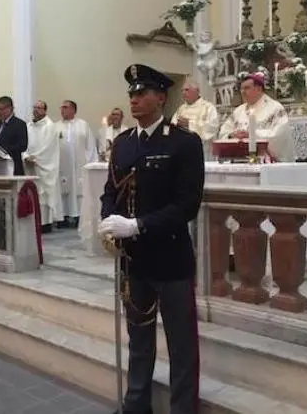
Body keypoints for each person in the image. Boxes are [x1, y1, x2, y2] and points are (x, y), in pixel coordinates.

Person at [98, 64, 204, 414]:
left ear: (161, 97)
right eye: (131, 93)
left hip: (171, 260)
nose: (134, 99)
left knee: (181, 345)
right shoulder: (123, 143)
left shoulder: (184, 143)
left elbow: (187, 206)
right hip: (135, 261)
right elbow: (110, 191)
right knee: (139, 339)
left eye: (142, 93)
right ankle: (136, 405)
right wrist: (107, 221)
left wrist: (138, 225)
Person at [218, 72, 294, 161]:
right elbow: (223, 132)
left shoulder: (275, 108)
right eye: (241, 89)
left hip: (265, 162)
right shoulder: (238, 111)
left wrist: (252, 135)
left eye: (246, 88)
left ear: (258, 89)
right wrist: (231, 135)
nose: (242, 92)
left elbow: (280, 135)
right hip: (239, 159)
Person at [56, 100, 98, 228]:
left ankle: (79, 215)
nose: (62, 110)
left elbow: (90, 146)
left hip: (80, 165)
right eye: (61, 107)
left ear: (74, 110)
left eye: (66, 107)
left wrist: (91, 164)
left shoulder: (83, 125)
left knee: (80, 189)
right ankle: (62, 217)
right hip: (62, 166)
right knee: (63, 188)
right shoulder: (55, 126)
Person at [23, 100, 62, 233]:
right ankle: (33, 221)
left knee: (43, 195)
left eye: (39, 108)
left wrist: (35, 158)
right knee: (32, 192)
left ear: (45, 110)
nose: (36, 110)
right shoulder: (28, 125)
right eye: (34, 107)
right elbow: (25, 143)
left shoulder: (50, 126)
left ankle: (44, 223)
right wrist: (26, 156)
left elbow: (48, 147)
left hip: (43, 166)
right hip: (29, 165)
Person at [171, 77, 219, 159]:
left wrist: (189, 124)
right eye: (182, 90)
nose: (183, 93)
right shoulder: (181, 109)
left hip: (202, 151)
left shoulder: (208, 107)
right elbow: (172, 127)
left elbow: (212, 128)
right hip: (182, 151)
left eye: (186, 90)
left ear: (197, 91)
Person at [0, 96, 29, 175]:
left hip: (13, 166)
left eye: (1, 109)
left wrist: (3, 151)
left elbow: (23, 145)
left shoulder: (19, 124)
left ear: (10, 108)